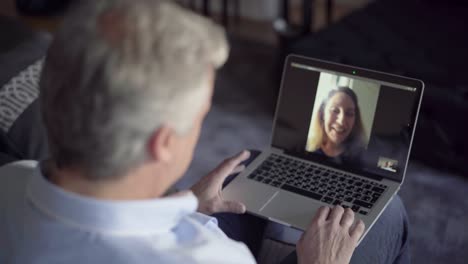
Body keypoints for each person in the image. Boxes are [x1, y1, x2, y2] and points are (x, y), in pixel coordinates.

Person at [0, 1, 410, 263]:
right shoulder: (211, 258)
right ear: (163, 143)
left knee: (246, 179)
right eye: (200, 116)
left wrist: (188, 203)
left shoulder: (10, 181)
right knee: (388, 216)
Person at [307, 87, 366, 164]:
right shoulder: (307, 148)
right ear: (323, 114)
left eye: (349, 113)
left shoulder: (362, 158)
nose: (341, 121)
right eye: (335, 110)